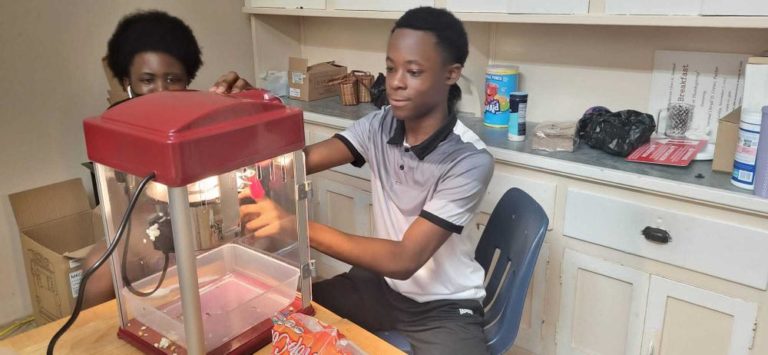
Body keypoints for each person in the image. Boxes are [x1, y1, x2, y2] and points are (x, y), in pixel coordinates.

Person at [240, 7, 494, 354]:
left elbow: (404, 259)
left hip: (444, 308)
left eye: (413, 71)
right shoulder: (381, 125)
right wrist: (251, 108)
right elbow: (299, 163)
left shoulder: (468, 159)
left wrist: (293, 225)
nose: (395, 82)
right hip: (380, 287)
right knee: (284, 320)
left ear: (451, 74)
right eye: (390, 68)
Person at [83, 10, 253, 307]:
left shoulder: (205, 119)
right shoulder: (117, 126)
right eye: (147, 80)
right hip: (146, 228)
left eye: (173, 79)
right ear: (127, 82)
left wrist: (248, 106)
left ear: (188, 78)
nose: (161, 91)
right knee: (95, 271)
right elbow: (124, 210)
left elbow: (251, 184)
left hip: (205, 225)